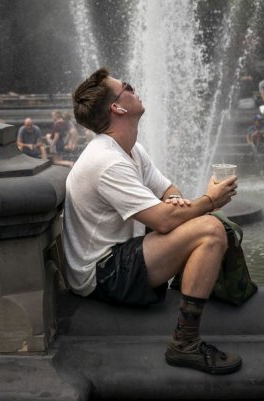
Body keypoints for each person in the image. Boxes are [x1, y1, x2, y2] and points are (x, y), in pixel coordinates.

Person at [63, 68, 242, 375]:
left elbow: (169, 190)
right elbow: (161, 220)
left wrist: (177, 206)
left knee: (202, 223)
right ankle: (184, 343)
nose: (135, 89)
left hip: (120, 256)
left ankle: (188, 295)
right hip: (101, 273)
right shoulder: (106, 161)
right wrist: (210, 201)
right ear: (117, 108)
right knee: (210, 229)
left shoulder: (130, 149)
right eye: (127, 88)